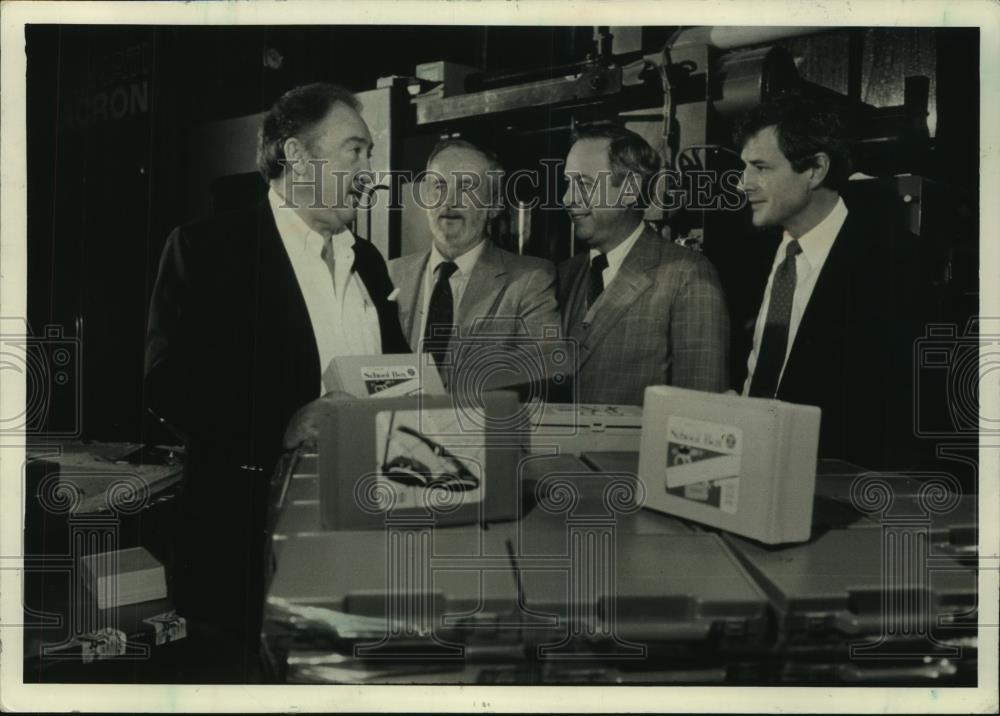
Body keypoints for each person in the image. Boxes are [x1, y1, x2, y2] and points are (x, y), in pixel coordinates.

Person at [143, 83, 408, 670]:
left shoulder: (365, 260)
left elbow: (390, 374)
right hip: (243, 547)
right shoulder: (208, 248)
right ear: (296, 153)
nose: (370, 170)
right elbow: (167, 383)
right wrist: (283, 423)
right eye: (355, 151)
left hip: (358, 534)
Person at [734, 98, 926, 468]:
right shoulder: (746, 256)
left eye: (760, 168)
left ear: (816, 170)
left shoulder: (893, 262)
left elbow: (897, 413)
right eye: (744, 167)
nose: (744, 184)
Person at [557, 125, 730, 405]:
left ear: (629, 189)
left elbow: (700, 415)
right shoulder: (564, 276)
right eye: (567, 183)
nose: (566, 199)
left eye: (583, 184)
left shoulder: (688, 276)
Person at [388, 138, 561, 390]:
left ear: (494, 205)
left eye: (466, 187)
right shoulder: (390, 274)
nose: (449, 202)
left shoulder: (531, 279)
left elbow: (544, 371)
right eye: (439, 186)